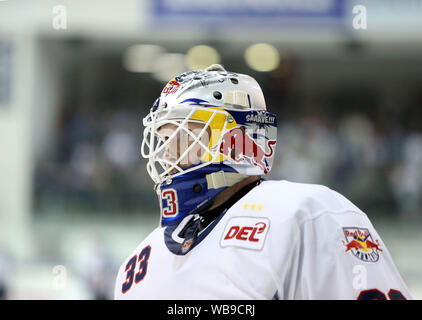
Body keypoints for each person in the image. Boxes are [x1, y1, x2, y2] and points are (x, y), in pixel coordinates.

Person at [114, 64, 412, 300]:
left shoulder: (307, 214)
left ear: (234, 141)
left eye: (183, 135)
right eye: (165, 139)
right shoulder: (139, 261)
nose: (167, 153)